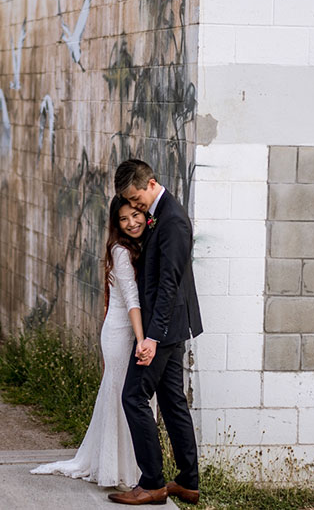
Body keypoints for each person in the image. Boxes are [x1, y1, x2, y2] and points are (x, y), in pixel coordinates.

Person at [30, 195, 148, 490]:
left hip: (130, 331)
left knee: (125, 397)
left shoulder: (142, 245)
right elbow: (132, 301)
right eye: (123, 219)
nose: (131, 222)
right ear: (116, 224)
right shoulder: (121, 251)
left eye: (135, 215)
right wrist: (142, 339)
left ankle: (128, 466)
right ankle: (114, 468)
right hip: (122, 333)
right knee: (120, 397)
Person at [108, 159, 204, 506]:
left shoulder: (174, 221)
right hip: (168, 327)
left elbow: (169, 285)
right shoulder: (160, 213)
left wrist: (151, 337)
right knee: (172, 400)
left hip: (162, 329)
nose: (134, 207)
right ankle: (187, 482)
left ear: (150, 183)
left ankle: (152, 482)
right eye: (129, 202)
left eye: (136, 199)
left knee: (133, 397)